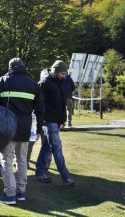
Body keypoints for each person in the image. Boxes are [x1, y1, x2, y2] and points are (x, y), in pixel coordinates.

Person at [0, 58, 44, 205]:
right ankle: (21, 192)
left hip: (6, 129)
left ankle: (10, 194)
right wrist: (38, 130)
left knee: (6, 160)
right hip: (25, 128)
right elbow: (41, 110)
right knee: (22, 161)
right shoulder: (33, 84)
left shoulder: (3, 81)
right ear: (23, 67)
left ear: (10, 67)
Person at [35, 60, 76, 188]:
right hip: (48, 121)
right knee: (57, 148)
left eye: (65, 73)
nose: (64, 76)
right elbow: (39, 104)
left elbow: (62, 104)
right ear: (56, 72)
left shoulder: (62, 82)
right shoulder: (44, 83)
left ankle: (40, 172)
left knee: (47, 147)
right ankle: (66, 177)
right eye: (62, 73)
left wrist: (62, 120)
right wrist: (43, 120)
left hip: (57, 121)